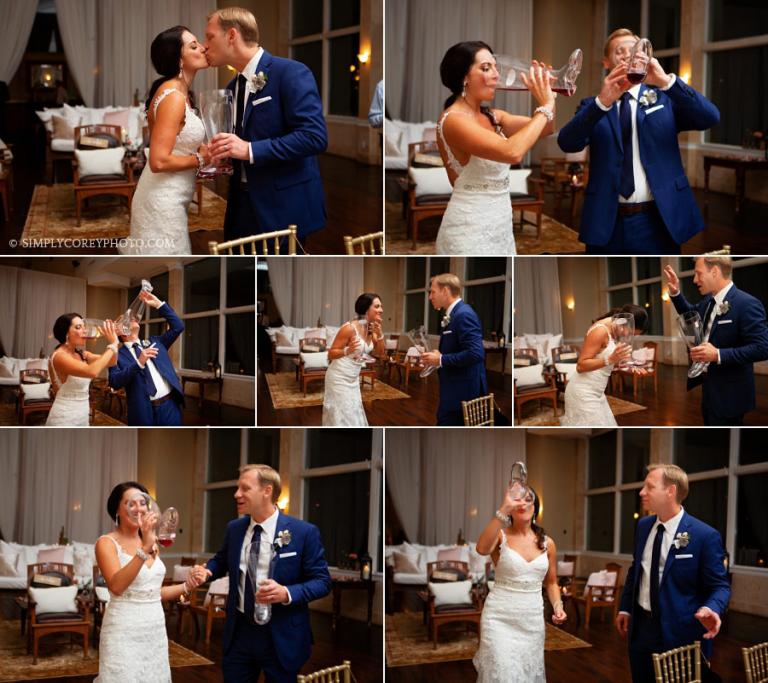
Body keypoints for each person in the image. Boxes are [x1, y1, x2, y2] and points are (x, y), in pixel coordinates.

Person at [558, 28, 720, 254]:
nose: (627, 55)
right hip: (606, 222)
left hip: (659, 219)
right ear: (607, 62)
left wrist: (665, 82)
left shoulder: (665, 98)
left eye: (634, 50)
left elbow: (710, 117)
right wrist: (602, 102)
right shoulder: (591, 106)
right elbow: (568, 143)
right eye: (619, 51)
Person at [204, 7, 327, 247]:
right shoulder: (232, 87)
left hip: (283, 207)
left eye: (209, 37)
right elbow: (240, 142)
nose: (205, 45)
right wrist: (225, 156)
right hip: (240, 207)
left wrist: (250, 150)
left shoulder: (291, 72)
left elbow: (314, 137)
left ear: (231, 35)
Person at [204, 465, 332, 683]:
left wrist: (286, 593)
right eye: (237, 488)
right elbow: (221, 560)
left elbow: (323, 581)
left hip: (281, 636)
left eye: (245, 488)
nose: (237, 494)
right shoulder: (234, 529)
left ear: (267, 491)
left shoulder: (303, 532)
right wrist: (207, 570)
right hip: (240, 633)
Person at [435, 41, 555, 255]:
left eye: (494, 67)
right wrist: (545, 107)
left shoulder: (494, 116)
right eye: (485, 68)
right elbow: (512, 152)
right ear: (464, 77)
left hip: (501, 225)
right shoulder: (453, 120)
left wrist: (548, 92)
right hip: (467, 230)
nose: (496, 75)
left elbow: (546, 128)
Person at [616, 465, 731, 683]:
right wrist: (625, 608)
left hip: (680, 634)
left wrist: (711, 608)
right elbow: (636, 569)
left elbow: (720, 586)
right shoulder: (643, 526)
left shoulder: (704, 535)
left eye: (649, 487)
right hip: (640, 630)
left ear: (671, 491)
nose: (641, 492)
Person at [95, 482, 207, 681]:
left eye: (143, 502)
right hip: (123, 630)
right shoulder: (106, 543)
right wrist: (144, 548)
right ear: (117, 510)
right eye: (131, 503)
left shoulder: (152, 542)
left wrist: (188, 585)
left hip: (154, 630)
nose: (139, 508)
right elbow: (117, 586)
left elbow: (154, 592)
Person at [121, 26, 211, 256]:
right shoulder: (173, 97)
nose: (203, 47)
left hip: (172, 198)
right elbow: (158, 161)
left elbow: (179, 143)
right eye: (193, 46)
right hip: (161, 202)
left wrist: (201, 151)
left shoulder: (182, 93)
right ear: (178, 59)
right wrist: (201, 158)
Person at [474, 483, 567, 682]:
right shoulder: (500, 536)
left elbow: (551, 583)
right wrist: (503, 509)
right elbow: (481, 549)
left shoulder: (547, 543)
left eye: (528, 499)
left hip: (531, 621)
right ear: (511, 507)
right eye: (518, 499)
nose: (523, 503)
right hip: (499, 618)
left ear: (536, 507)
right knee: (501, 675)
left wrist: (558, 606)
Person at [665, 255, 768, 425]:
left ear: (714, 272)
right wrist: (675, 293)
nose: (694, 280)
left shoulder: (748, 304)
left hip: (731, 395)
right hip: (710, 389)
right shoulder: (708, 301)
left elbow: (763, 348)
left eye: (698, 274)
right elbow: (689, 314)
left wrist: (718, 354)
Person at [560, 304, 648, 426]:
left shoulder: (615, 329)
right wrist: (610, 359)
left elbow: (608, 360)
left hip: (598, 393)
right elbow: (580, 366)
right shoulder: (600, 331)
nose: (628, 336)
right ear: (623, 321)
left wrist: (630, 365)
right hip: (583, 393)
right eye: (631, 333)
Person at [107, 291, 186, 426]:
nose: (131, 318)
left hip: (170, 407)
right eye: (125, 319)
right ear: (119, 331)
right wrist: (139, 363)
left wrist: (159, 304)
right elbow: (114, 381)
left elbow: (178, 326)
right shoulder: (116, 354)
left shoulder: (155, 342)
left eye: (131, 317)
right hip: (143, 412)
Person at [421, 273, 487, 425]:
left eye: (432, 292)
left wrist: (441, 359)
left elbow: (476, 353)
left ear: (445, 291)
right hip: (454, 387)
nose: (430, 297)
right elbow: (459, 347)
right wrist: (438, 357)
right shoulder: (455, 313)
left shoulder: (463, 315)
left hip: (464, 391)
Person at [322, 293, 386, 426]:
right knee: (342, 418)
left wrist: (380, 335)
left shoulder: (371, 328)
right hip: (338, 378)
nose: (381, 310)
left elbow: (381, 353)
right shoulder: (349, 328)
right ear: (366, 309)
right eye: (377, 306)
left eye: (381, 306)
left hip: (353, 379)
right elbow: (330, 354)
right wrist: (347, 350)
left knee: (353, 415)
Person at [46, 314, 120, 426]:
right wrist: (113, 344)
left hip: (82, 414)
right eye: (78, 327)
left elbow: (112, 361)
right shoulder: (59, 356)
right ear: (66, 333)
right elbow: (92, 371)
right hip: (64, 417)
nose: (85, 331)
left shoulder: (83, 354)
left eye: (84, 326)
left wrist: (113, 340)